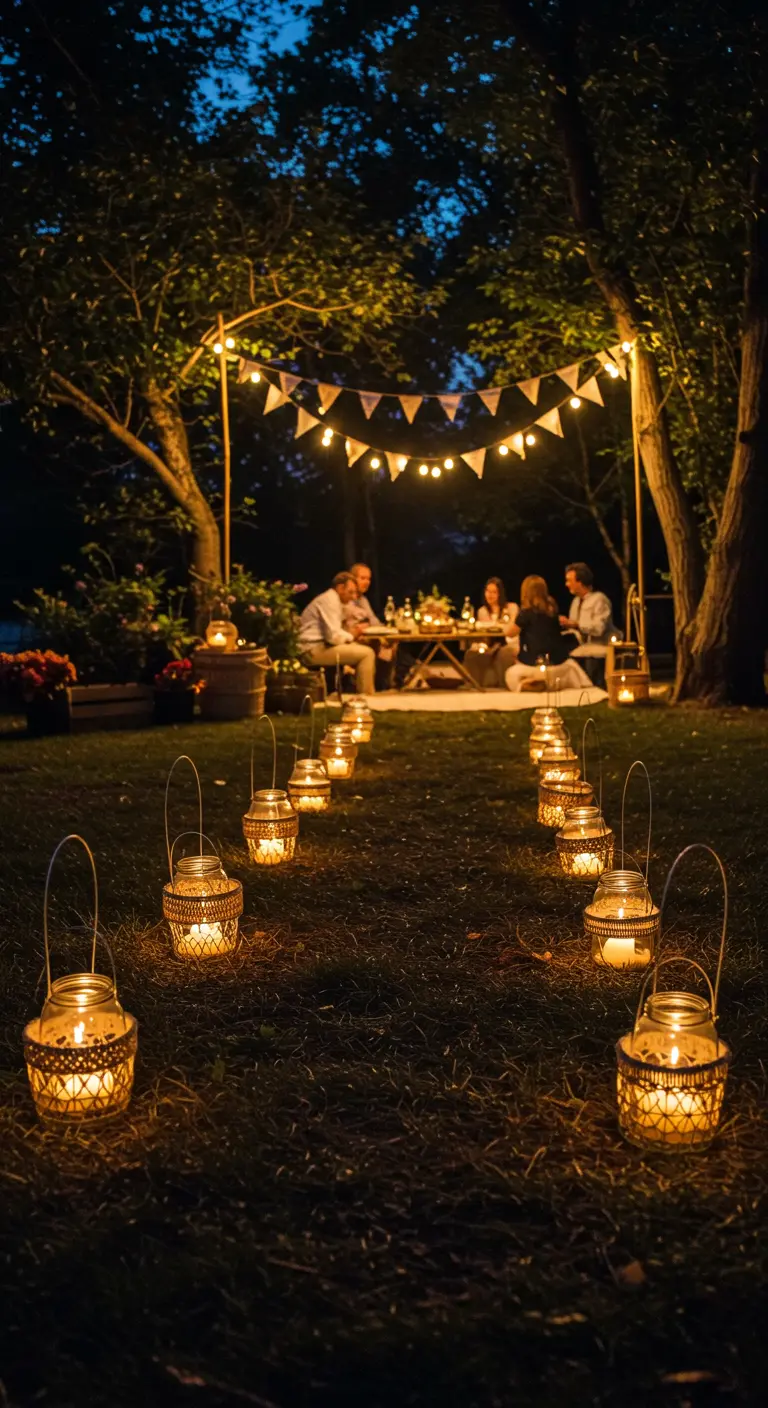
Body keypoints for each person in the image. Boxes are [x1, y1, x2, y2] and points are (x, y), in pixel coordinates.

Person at [503, 574, 592, 693]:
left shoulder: (525, 614)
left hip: (535, 663)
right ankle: (547, 684)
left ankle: (531, 684)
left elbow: (509, 633)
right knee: (566, 669)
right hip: (558, 662)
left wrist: (512, 617)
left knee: (510, 674)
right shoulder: (553, 611)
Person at [299, 572, 376, 694]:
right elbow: (333, 637)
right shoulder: (330, 600)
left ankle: (358, 691)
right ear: (340, 588)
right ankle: (366, 697)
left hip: (319, 646)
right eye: (351, 592)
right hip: (311, 650)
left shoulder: (333, 599)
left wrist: (350, 636)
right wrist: (352, 635)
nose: (353, 597)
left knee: (361, 648)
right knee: (367, 654)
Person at [560, 562, 616, 686]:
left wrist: (576, 625)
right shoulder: (575, 602)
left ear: (580, 582)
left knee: (589, 657)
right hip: (582, 648)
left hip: (599, 648)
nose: (566, 584)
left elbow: (599, 629)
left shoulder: (599, 600)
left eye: (569, 580)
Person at [343, 561, 396, 689]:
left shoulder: (363, 600)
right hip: (349, 637)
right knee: (379, 644)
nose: (367, 582)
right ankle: (376, 683)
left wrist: (386, 630)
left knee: (391, 642)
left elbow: (373, 620)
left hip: (367, 636)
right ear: (352, 579)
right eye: (363, 578)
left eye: (369, 579)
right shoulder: (345, 599)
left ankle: (382, 682)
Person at [463, 577, 519, 688]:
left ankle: (503, 682)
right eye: (488, 591)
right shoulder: (482, 611)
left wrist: (498, 625)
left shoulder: (511, 608)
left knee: (504, 653)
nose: (490, 595)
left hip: (508, 643)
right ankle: (478, 682)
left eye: (494, 592)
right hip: (489, 645)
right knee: (471, 653)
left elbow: (513, 628)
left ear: (500, 594)